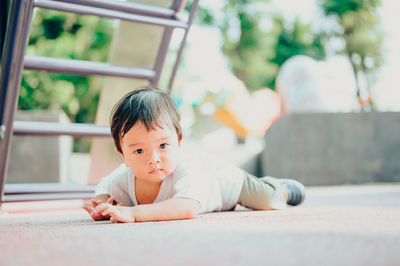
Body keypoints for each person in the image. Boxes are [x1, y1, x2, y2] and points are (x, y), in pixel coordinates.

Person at [83, 87, 305, 223]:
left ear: (179, 143)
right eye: (139, 151)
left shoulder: (187, 169)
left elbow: (186, 208)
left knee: (267, 200)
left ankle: (281, 188)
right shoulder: (123, 177)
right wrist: (103, 206)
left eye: (163, 146)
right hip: (208, 195)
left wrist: (135, 213)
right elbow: (104, 187)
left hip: (224, 182)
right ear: (122, 154)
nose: (153, 158)